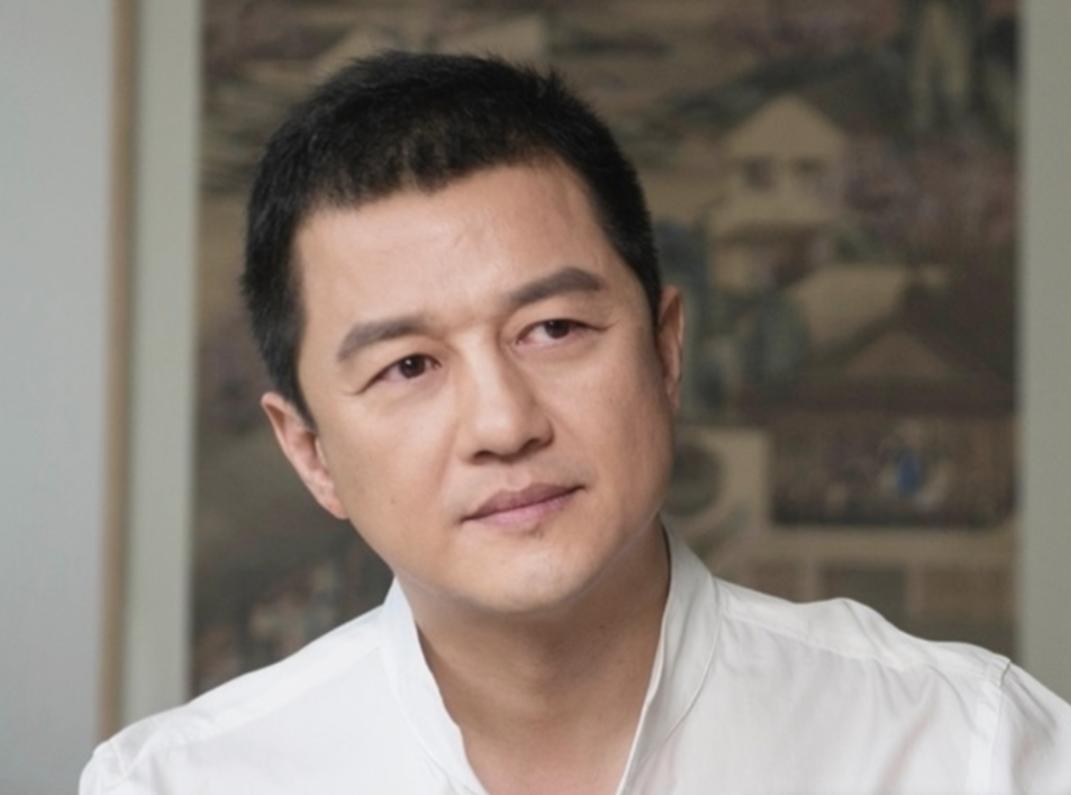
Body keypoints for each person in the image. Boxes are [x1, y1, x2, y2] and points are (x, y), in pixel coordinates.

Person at [81, 51, 1071, 794]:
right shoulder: (180, 782)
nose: (503, 423)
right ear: (311, 454)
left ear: (666, 350)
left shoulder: (973, 750)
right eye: (409, 365)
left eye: (553, 328)